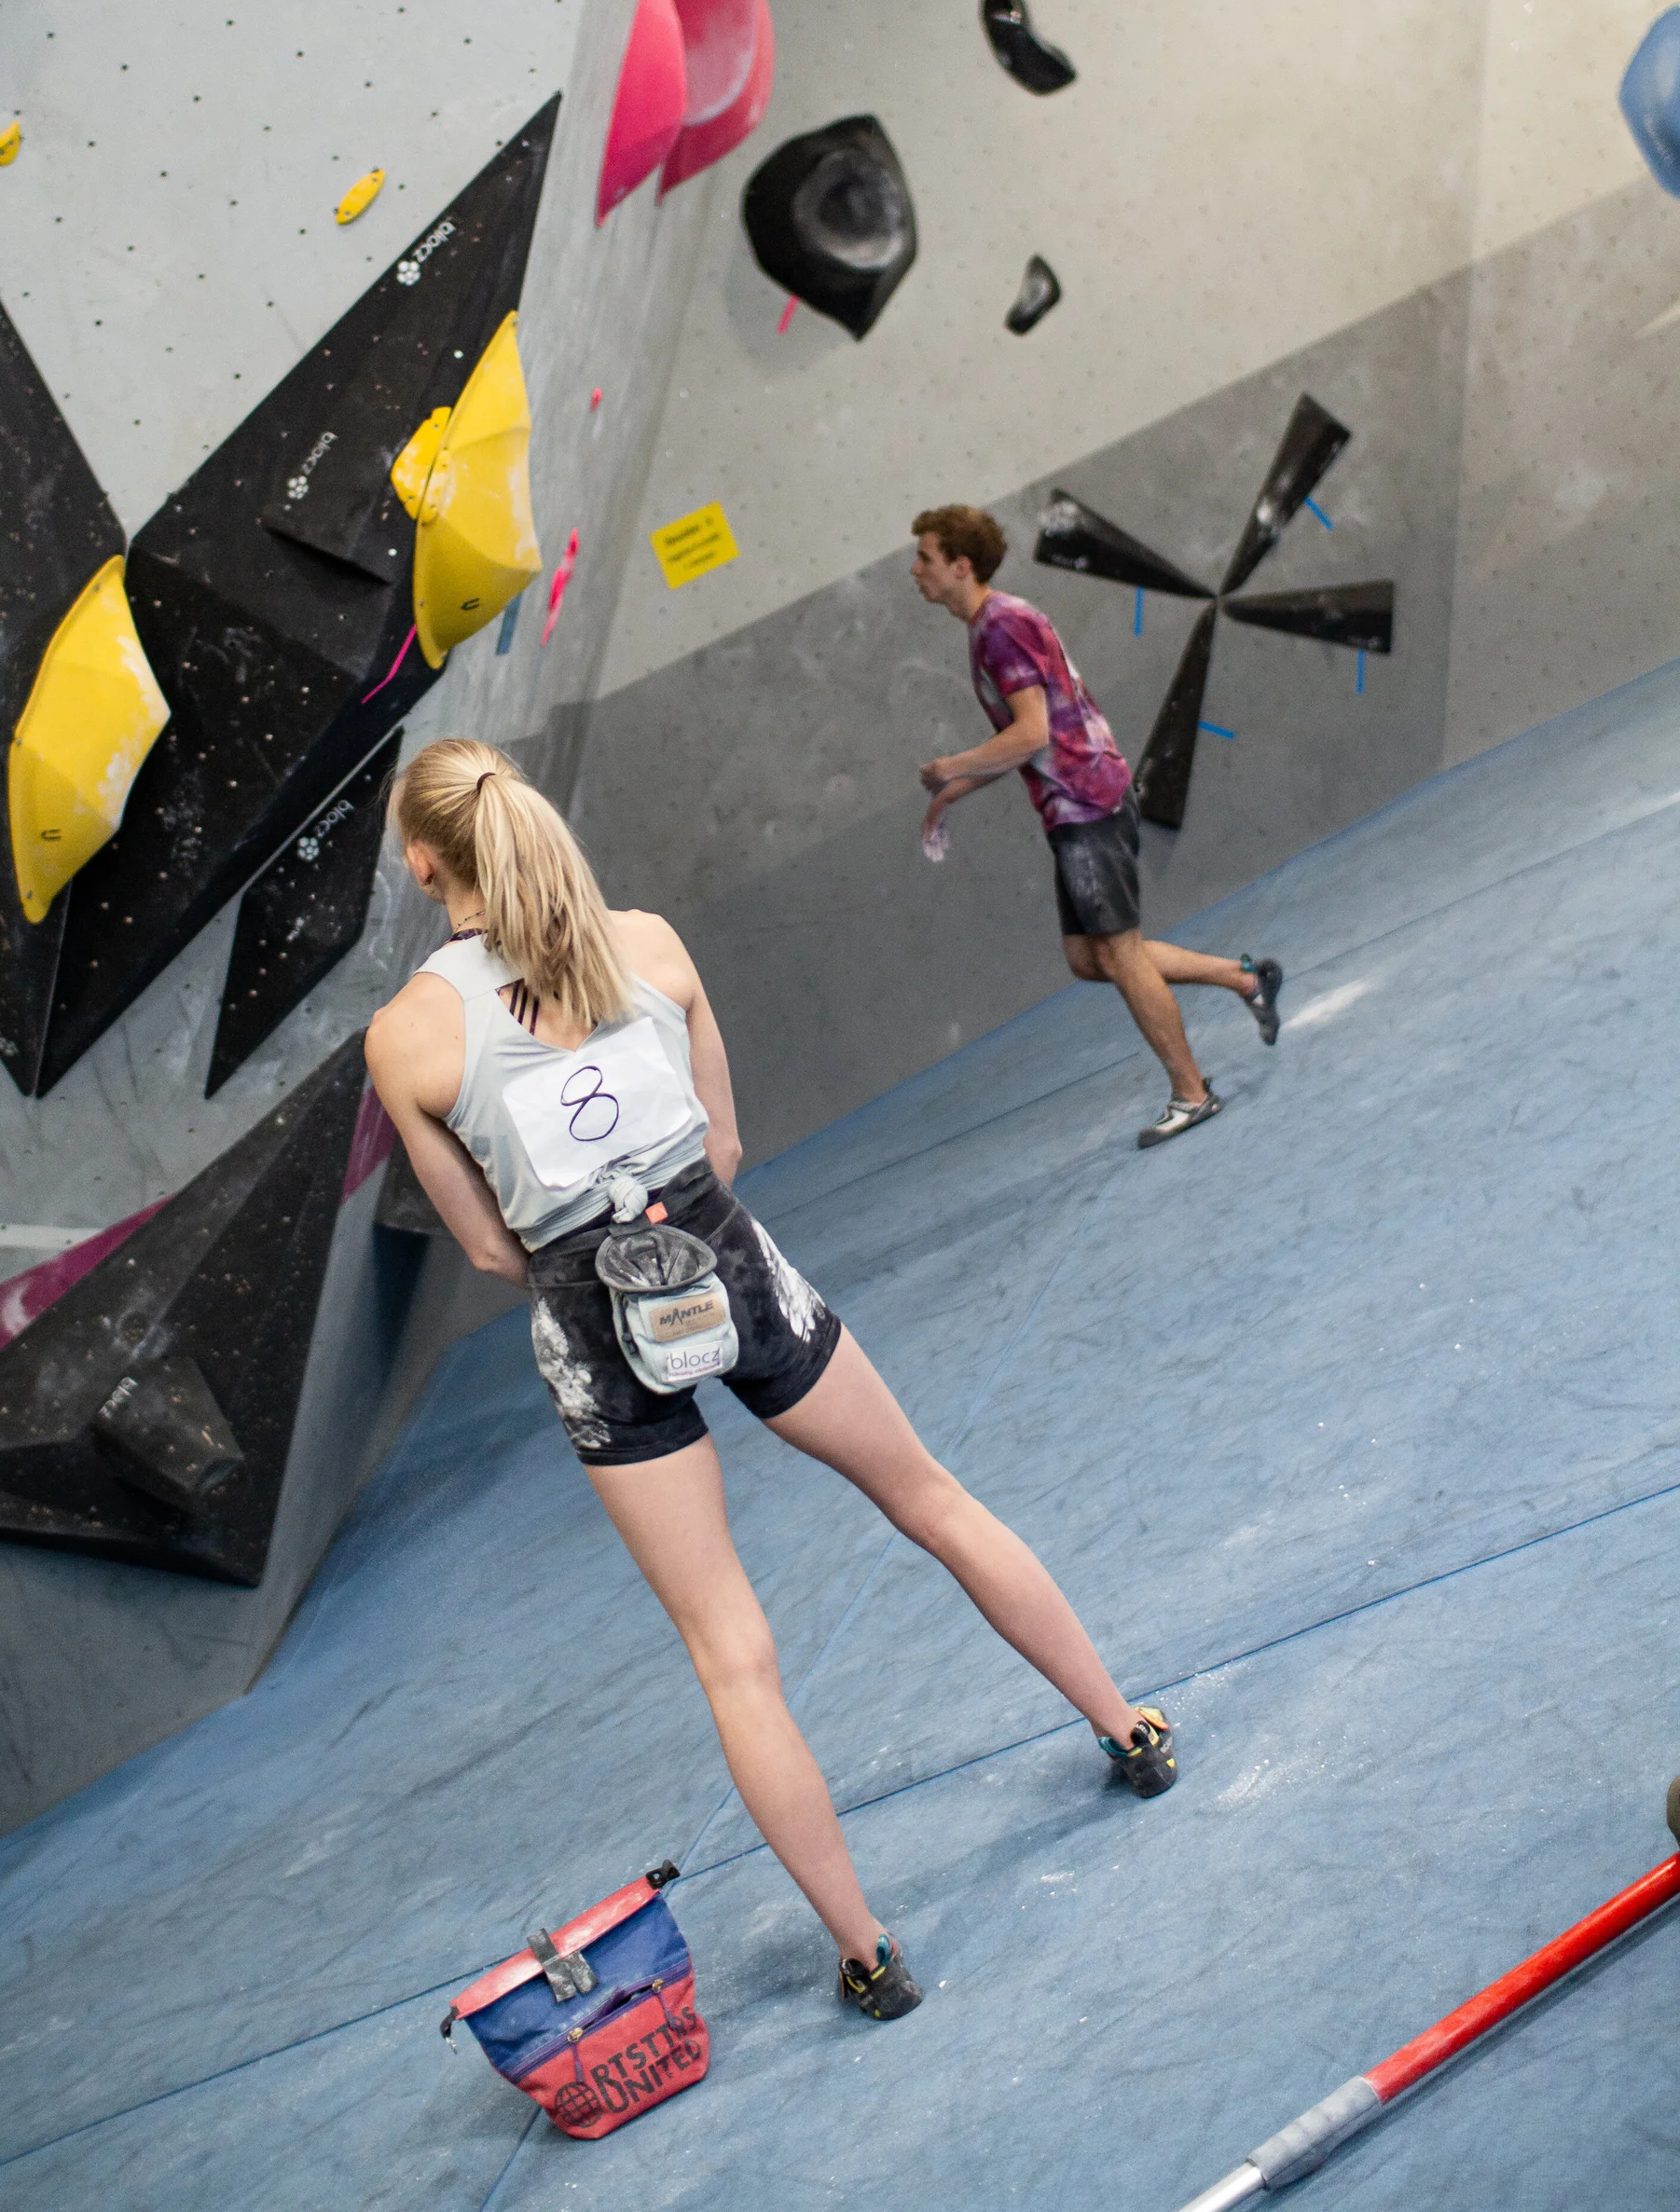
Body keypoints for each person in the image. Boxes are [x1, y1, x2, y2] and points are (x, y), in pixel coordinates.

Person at [365, 738, 1179, 2026]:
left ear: (423, 863)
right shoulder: (650, 945)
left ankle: (867, 1952)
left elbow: (481, 1247)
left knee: (731, 1650)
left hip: (589, 1315)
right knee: (930, 1496)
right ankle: (1125, 1726)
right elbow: (727, 1142)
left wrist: (603, 1277)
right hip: (726, 1259)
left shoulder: (406, 1037)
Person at [910, 504, 1282, 1148]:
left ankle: (1192, 1094)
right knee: (1091, 958)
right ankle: (1246, 979)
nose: (916, 571)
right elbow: (1022, 743)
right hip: (1076, 805)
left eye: (925, 558)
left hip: (1087, 803)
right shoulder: (990, 627)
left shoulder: (1001, 627)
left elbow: (1032, 733)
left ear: (961, 566)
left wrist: (950, 765)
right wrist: (953, 793)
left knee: (1119, 951)